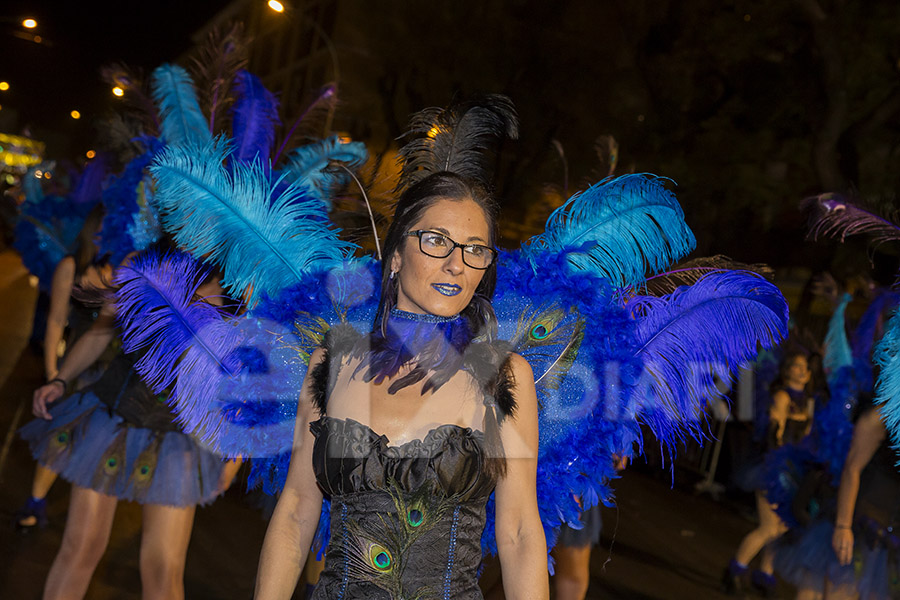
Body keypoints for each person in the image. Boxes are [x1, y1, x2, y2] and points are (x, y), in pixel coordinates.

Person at [254, 172, 549, 599]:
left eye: (475, 250)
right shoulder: (332, 364)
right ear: (395, 255)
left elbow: (520, 533)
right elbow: (297, 512)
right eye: (436, 240)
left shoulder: (505, 376)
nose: (456, 264)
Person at [19, 255, 238, 600]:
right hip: (113, 418)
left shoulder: (240, 282)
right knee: (81, 547)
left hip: (179, 440)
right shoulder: (143, 260)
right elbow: (100, 332)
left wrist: (236, 453)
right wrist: (61, 380)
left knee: (162, 571)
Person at [15, 204, 110, 531]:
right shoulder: (73, 266)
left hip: (115, 371)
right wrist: (54, 371)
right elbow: (56, 320)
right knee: (61, 437)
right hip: (79, 368)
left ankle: (84, 518)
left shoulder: (129, 268)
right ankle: (36, 499)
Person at [724, 351, 814, 596]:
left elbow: (806, 440)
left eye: (805, 367)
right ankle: (736, 568)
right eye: (796, 365)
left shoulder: (808, 402)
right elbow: (776, 436)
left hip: (793, 471)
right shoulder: (782, 396)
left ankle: (764, 573)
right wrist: (781, 463)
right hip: (772, 469)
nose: (801, 370)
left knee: (782, 528)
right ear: (787, 371)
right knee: (768, 528)